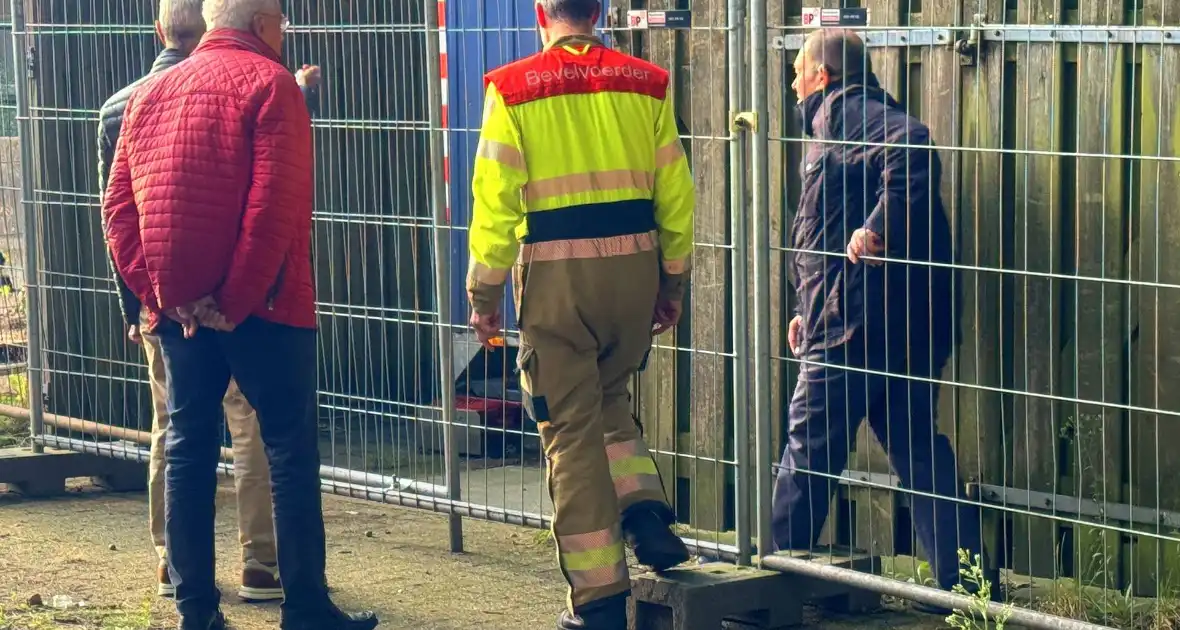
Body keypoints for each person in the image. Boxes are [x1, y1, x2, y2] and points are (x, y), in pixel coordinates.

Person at [100, 0, 377, 628]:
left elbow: (117, 210)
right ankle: (305, 605)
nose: (283, 32)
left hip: (180, 315)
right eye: (280, 20)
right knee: (286, 448)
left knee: (188, 448)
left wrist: (162, 296)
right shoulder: (272, 84)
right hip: (266, 308)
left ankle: (196, 609)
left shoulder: (151, 91)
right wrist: (232, 302)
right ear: (261, 26)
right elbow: (273, 209)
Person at [466, 1, 696, 628]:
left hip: (557, 283)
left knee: (568, 432)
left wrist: (483, 296)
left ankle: (597, 602)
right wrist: (672, 280)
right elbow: (676, 193)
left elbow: (495, 205)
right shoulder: (645, 83)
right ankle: (646, 516)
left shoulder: (510, 91)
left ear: (543, 12)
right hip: (633, 274)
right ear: (598, 11)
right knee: (609, 396)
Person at [773, 28, 997, 613]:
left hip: (855, 327)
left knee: (808, 447)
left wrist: (878, 228)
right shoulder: (851, 118)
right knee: (917, 448)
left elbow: (914, 148)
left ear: (821, 76)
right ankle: (966, 587)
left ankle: (773, 582)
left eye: (798, 73)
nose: (793, 85)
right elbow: (821, 227)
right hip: (891, 321)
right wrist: (803, 307)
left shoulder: (845, 113)